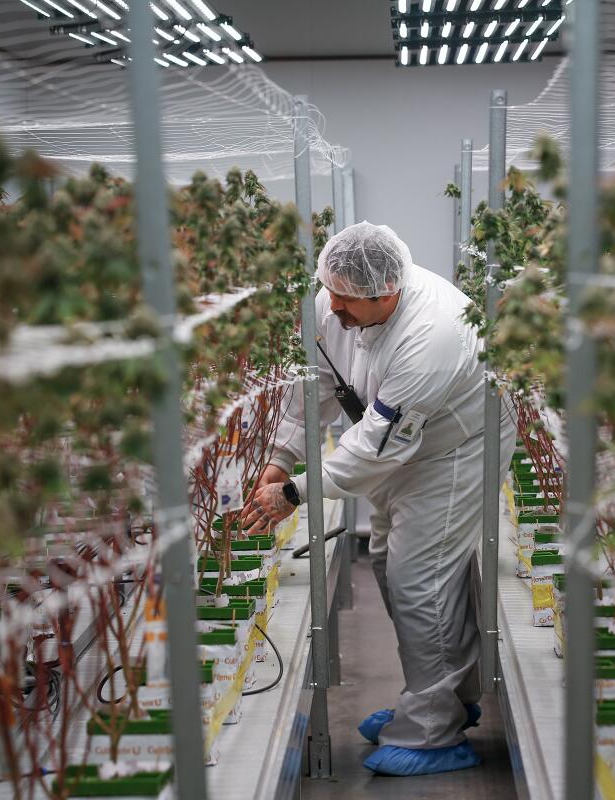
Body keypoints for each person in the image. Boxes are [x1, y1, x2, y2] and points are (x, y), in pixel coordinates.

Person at [241, 221, 515, 777]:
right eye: (330, 294)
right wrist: (279, 458)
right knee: (392, 564)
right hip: (401, 442)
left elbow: (373, 446)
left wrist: (294, 493)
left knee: (421, 578)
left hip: (457, 446)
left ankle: (432, 732)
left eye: (345, 302)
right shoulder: (339, 294)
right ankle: (438, 697)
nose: (333, 309)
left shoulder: (432, 335)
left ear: (386, 294)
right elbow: (316, 382)